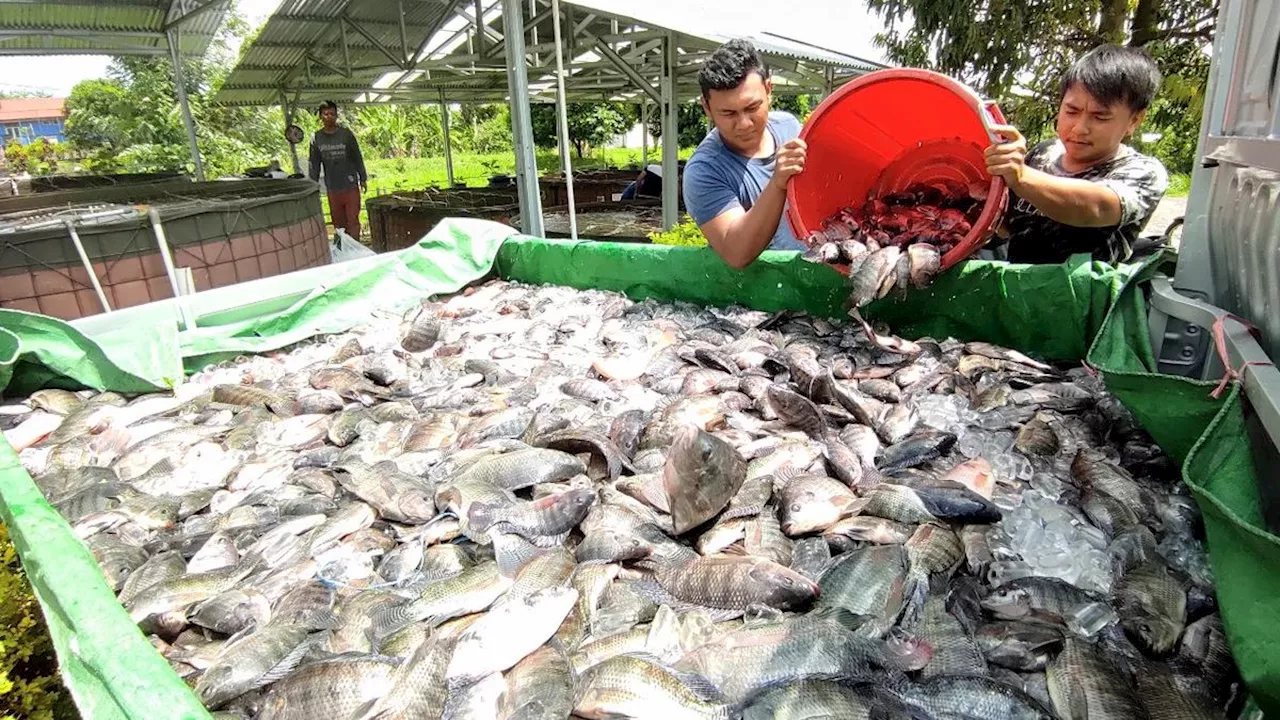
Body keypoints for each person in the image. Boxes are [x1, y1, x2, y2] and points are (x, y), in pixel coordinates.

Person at [984, 44, 1168, 264]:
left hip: (1082, 296)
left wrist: (1021, 177)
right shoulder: (1043, 154)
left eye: (1100, 117)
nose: (1080, 128)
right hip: (1018, 290)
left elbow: (1095, 208)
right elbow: (1005, 226)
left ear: (1134, 120)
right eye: (1072, 111)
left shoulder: (1143, 172)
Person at [682, 40, 807, 269]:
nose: (744, 124)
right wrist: (777, 183)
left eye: (752, 108)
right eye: (728, 113)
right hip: (758, 298)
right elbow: (736, 252)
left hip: (814, 272)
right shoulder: (704, 170)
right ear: (707, 108)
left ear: (768, 90)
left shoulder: (789, 127)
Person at [308, 100, 368, 239]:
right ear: (320, 116)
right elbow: (314, 164)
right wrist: (313, 185)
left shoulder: (346, 135)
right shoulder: (316, 138)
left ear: (337, 116)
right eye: (325, 114)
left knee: (352, 219)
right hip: (333, 187)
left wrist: (363, 178)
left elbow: (357, 156)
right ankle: (343, 249)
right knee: (339, 223)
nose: (329, 117)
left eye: (332, 114)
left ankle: (355, 247)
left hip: (350, 184)